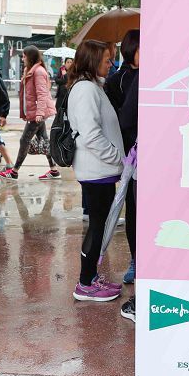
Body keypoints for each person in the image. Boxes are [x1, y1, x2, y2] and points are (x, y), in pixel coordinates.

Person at [68, 40, 124, 302]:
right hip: (97, 170)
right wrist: (117, 158)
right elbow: (91, 135)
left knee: (98, 226)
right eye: (106, 59)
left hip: (101, 169)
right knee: (97, 226)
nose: (110, 63)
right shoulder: (86, 90)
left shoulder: (92, 87)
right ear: (92, 60)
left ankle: (89, 278)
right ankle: (85, 283)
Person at [105, 29, 140, 319]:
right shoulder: (117, 80)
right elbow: (118, 119)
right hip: (131, 156)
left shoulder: (150, 75)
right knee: (133, 208)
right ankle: (135, 260)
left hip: (148, 155)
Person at [0, 46, 58, 181]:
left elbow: (42, 94)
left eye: (24, 56)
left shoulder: (39, 72)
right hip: (35, 112)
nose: (23, 58)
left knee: (24, 140)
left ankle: (14, 171)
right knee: (44, 140)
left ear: (30, 57)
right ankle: (54, 170)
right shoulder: (30, 70)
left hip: (37, 113)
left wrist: (39, 113)